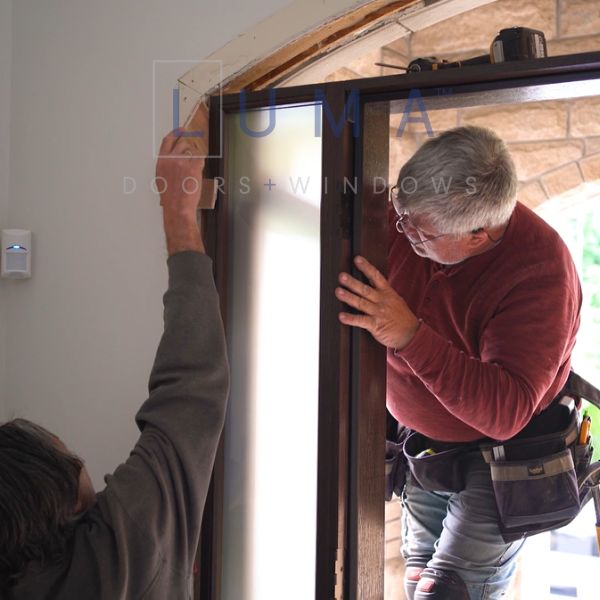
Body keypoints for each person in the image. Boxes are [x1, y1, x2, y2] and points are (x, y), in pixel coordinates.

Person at [335, 125, 581, 600]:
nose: (401, 231)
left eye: (419, 230)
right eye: (401, 215)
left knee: (446, 592)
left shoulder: (541, 271)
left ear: (477, 234)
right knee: (417, 582)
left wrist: (407, 334)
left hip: (508, 455)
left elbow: (506, 411)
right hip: (427, 445)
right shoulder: (407, 219)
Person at [0, 105, 229, 598]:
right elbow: (189, 393)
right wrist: (178, 215)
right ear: (64, 505)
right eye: (71, 456)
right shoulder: (120, 550)